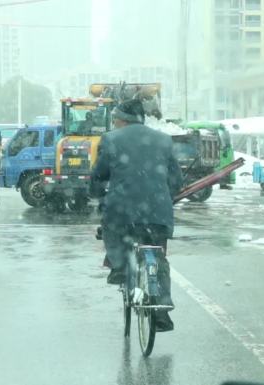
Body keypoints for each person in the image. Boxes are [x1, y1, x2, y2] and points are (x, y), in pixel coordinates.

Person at [90, 99, 183, 332]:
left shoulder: (111, 139)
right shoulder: (163, 140)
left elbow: (99, 176)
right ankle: (161, 312)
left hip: (123, 211)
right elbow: (177, 180)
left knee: (111, 229)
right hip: (158, 212)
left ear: (121, 120)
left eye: (114, 119)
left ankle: (120, 267)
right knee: (158, 255)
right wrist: (165, 197)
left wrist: (98, 195)